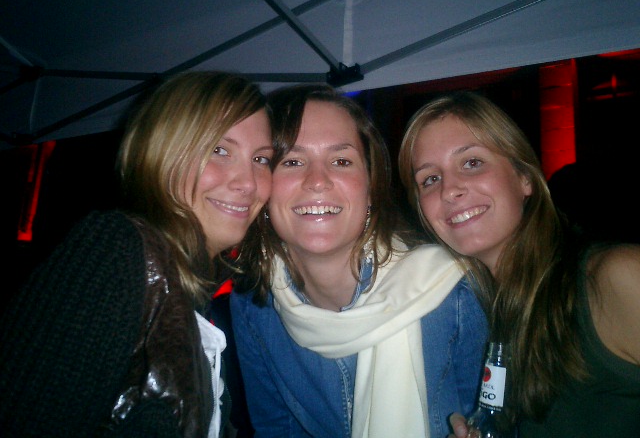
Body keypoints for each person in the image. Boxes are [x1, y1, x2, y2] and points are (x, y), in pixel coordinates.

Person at [0, 71, 273, 438]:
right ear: (163, 151)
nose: (249, 183)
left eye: (261, 159)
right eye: (219, 150)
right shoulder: (115, 253)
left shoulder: (193, 293)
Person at [230, 83, 488, 437]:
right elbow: (277, 429)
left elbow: (496, 421)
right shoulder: (253, 303)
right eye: (292, 161)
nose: (317, 181)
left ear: (370, 187)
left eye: (341, 161)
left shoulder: (454, 293)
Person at [397, 90, 640, 437]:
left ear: (524, 177)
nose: (449, 190)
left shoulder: (615, 277)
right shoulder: (482, 315)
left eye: (472, 162)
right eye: (430, 179)